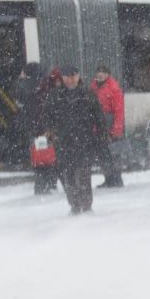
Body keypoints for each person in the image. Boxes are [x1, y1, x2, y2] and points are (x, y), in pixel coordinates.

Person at [43, 65, 108, 215]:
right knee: (68, 177)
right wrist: (50, 133)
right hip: (63, 143)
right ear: (62, 78)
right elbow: (47, 116)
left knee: (83, 176)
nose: (70, 80)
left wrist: (102, 134)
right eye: (67, 77)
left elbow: (99, 117)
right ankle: (74, 206)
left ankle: (86, 207)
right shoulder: (55, 96)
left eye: (73, 76)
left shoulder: (88, 94)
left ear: (78, 76)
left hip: (84, 142)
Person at [15, 62, 56, 195]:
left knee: (38, 155)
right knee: (48, 153)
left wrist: (21, 80)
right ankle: (50, 182)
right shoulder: (46, 84)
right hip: (46, 125)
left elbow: (19, 98)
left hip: (35, 125)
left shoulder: (27, 85)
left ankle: (41, 185)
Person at [91, 65, 126, 188]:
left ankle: (116, 179)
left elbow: (119, 111)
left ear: (107, 74)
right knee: (103, 154)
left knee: (113, 153)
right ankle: (109, 179)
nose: (100, 74)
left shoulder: (114, 88)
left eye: (103, 72)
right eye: (98, 72)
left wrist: (116, 130)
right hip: (99, 126)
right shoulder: (94, 87)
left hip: (109, 125)